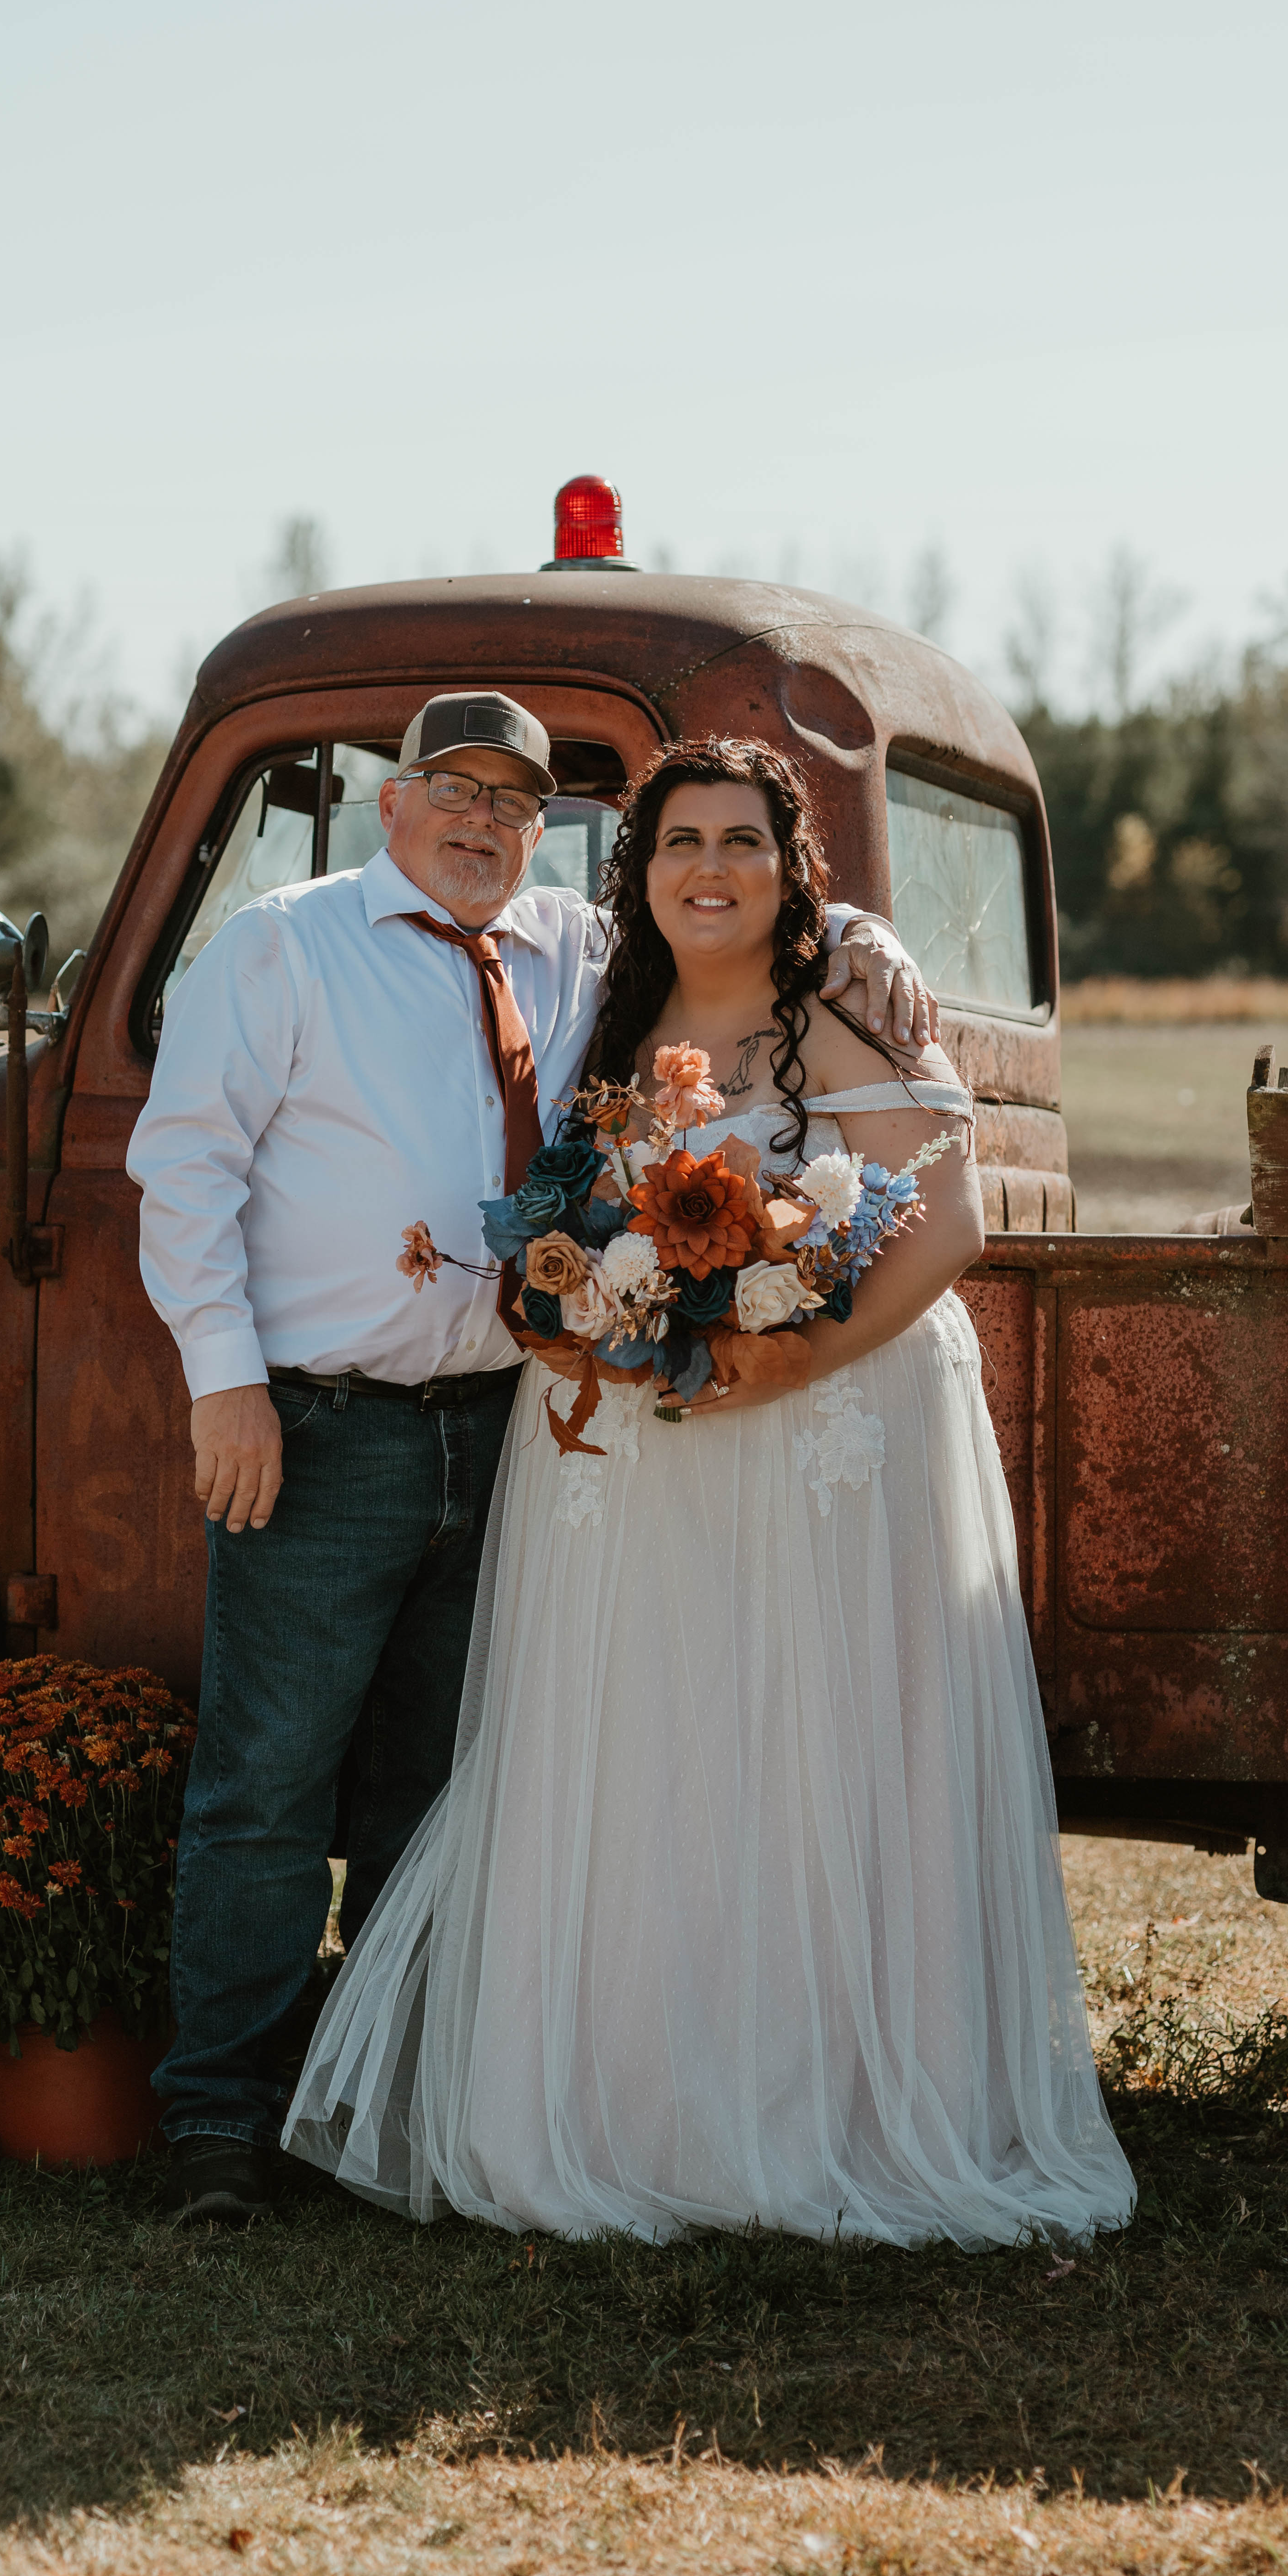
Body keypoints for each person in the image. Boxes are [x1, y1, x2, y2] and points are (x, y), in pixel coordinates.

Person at [285, 734, 1135, 2248]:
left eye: (744, 841)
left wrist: (797, 1357)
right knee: (664, 1750)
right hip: (648, 1451)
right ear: (642, 867)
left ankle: (833, 2103)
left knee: (815, 1747)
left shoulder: (842, 1003)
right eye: (682, 841)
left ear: (792, 869)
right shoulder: (613, 1011)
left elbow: (946, 1224)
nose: (711, 869)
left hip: (823, 1436)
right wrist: (599, 1313)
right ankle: (649, 2104)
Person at [127, 691, 930, 2225]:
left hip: (518, 1428)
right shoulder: (284, 946)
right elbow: (186, 1164)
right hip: (324, 1427)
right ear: (391, 805)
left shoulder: (574, 946)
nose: (484, 823)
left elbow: (736, 915)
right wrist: (224, 1384)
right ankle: (219, 2116)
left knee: (445, 1793)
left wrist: (864, 941)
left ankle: (382, 2103)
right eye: (456, 790)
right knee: (268, 1786)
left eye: (515, 801)